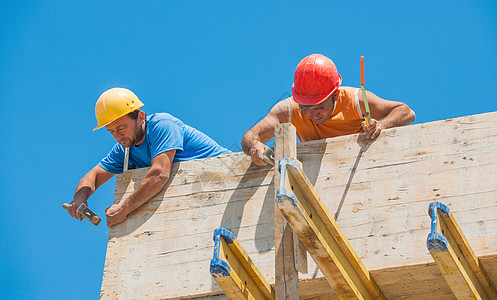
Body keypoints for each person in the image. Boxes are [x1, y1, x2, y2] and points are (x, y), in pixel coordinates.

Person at [66, 88, 230, 227]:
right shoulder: (125, 151)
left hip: (231, 176)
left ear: (141, 117)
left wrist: (123, 209)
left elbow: (159, 174)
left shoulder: (162, 125)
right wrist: (79, 198)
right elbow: (92, 176)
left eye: (121, 127)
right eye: (111, 131)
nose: (118, 136)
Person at [241, 53, 415, 165]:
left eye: (320, 106)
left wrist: (381, 125)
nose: (312, 113)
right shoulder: (289, 110)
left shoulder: (355, 100)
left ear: (336, 95)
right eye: (306, 107)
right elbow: (249, 136)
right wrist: (254, 144)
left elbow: (406, 112)